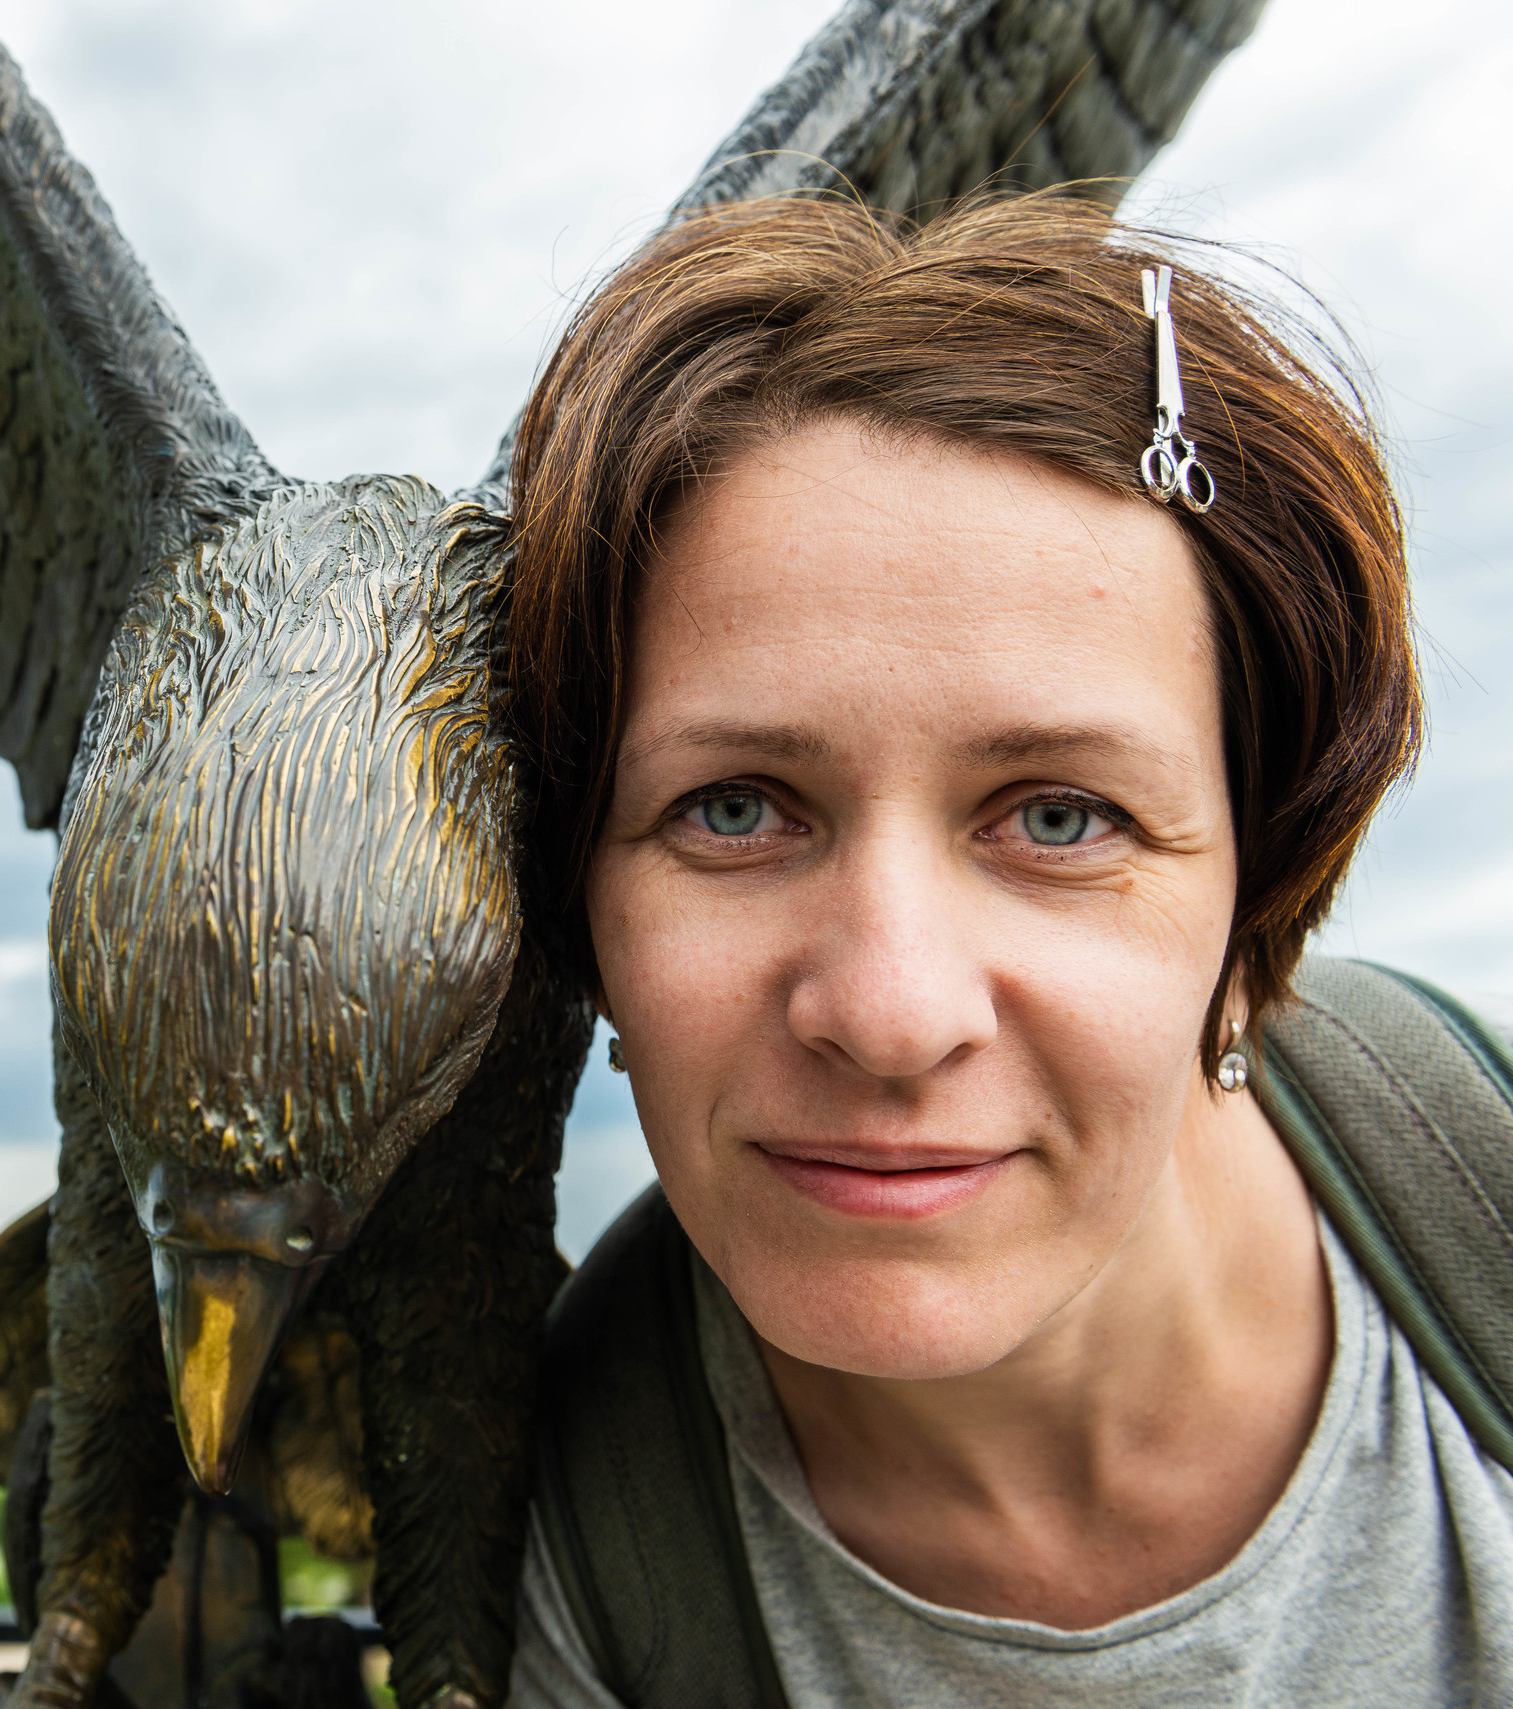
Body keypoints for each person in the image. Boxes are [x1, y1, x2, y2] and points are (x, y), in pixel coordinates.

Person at [497, 192, 1513, 1705]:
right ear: (586, 912)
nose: (893, 1012)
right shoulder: (575, 1547)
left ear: (1257, 911)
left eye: (1059, 818)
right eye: (732, 809)